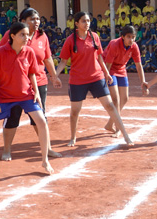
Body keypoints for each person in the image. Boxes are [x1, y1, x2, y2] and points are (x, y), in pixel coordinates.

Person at [0, 22, 55, 175]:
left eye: (28, 35)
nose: (27, 38)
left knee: (42, 122)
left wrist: (36, 92)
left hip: (26, 95)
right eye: (23, 34)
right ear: (13, 36)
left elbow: (32, 73)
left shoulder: (29, 51)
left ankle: (45, 161)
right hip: (3, 97)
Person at [55, 11, 133, 147]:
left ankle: (125, 135)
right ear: (76, 23)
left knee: (110, 105)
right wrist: (55, 75)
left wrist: (106, 73)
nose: (87, 23)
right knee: (75, 112)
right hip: (78, 80)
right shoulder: (70, 40)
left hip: (96, 77)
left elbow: (100, 57)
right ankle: (73, 137)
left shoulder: (94, 36)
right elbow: (63, 61)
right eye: (83, 21)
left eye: (88, 21)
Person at [0, 8, 63, 161]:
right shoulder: (11, 34)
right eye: (32, 19)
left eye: (38, 19)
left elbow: (47, 58)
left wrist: (54, 76)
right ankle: (6, 150)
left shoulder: (42, 36)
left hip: (39, 82)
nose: (36, 22)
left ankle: (47, 148)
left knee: (40, 117)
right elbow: (0, 53)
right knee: (13, 116)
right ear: (23, 21)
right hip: (15, 83)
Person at [102, 25, 147, 137]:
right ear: (122, 36)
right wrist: (106, 77)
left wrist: (143, 82)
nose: (131, 39)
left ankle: (110, 123)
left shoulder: (134, 46)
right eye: (128, 37)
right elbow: (108, 64)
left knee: (125, 98)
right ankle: (118, 129)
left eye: (133, 37)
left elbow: (139, 65)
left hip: (121, 68)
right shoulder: (114, 44)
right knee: (115, 99)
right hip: (110, 68)